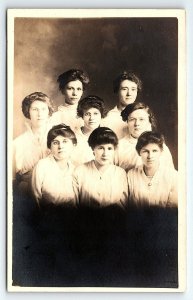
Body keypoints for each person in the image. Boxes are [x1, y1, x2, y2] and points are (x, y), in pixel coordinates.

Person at [73, 127, 128, 208]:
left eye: (109, 148)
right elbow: (74, 205)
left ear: (114, 150)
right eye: (101, 148)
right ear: (93, 149)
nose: (105, 153)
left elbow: (123, 205)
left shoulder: (120, 173)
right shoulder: (79, 171)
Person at [13, 92, 54, 191]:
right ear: (28, 111)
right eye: (35, 109)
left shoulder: (58, 138)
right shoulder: (17, 143)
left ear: (48, 112)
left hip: (54, 190)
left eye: (43, 109)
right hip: (27, 191)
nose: (39, 114)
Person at [116, 102, 174, 172]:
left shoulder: (161, 147)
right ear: (127, 122)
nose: (137, 124)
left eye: (141, 119)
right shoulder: (119, 146)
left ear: (149, 122)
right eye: (132, 119)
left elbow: (170, 175)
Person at [127, 131, 178, 207]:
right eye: (145, 151)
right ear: (139, 152)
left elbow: (173, 210)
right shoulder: (131, 175)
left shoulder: (173, 176)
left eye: (154, 151)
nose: (150, 156)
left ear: (161, 152)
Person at [31, 124, 77, 207]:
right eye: (55, 143)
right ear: (50, 147)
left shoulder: (75, 170)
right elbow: (35, 199)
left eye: (65, 141)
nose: (60, 146)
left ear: (73, 145)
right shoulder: (42, 166)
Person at [102, 70, 142, 138]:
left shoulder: (143, 116)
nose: (129, 93)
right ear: (117, 91)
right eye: (124, 89)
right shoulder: (108, 118)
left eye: (133, 89)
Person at [72, 95, 107, 165]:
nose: (92, 118)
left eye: (95, 113)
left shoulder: (107, 136)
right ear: (82, 116)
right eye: (87, 114)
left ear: (101, 115)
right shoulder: (72, 137)